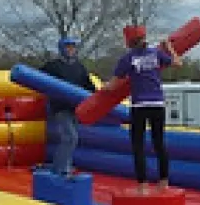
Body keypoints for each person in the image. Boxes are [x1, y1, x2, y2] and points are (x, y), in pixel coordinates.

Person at [103, 25, 182, 195]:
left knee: (138, 145)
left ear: (128, 42)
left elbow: (113, 85)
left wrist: (103, 89)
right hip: (157, 104)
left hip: (139, 105)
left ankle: (143, 185)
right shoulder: (156, 54)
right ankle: (164, 182)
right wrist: (169, 48)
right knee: (159, 143)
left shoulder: (127, 59)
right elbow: (177, 63)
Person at [40, 38, 96, 177]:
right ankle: (60, 170)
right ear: (62, 49)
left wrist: (98, 97)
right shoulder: (53, 66)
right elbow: (38, 78)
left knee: (71, 138)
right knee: (70, 137)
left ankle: (65, 166)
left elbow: (88, 85)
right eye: (68, 47)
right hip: (60, 108)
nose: (71, 50)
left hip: (75, 108)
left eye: (73, 47)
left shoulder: (79, 67)